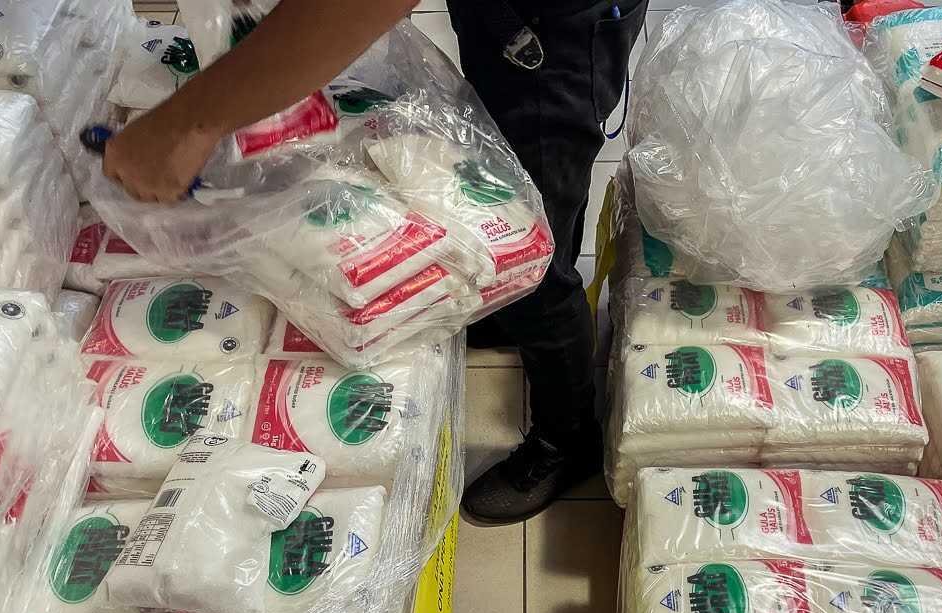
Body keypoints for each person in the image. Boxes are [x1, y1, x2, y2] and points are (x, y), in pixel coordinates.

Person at [103, 0, 647, 525]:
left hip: (557, 31)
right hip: (508, 19)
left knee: (531, 249)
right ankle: (509, 312)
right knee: (504, 185)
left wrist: (193, 121)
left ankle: (567, 436)